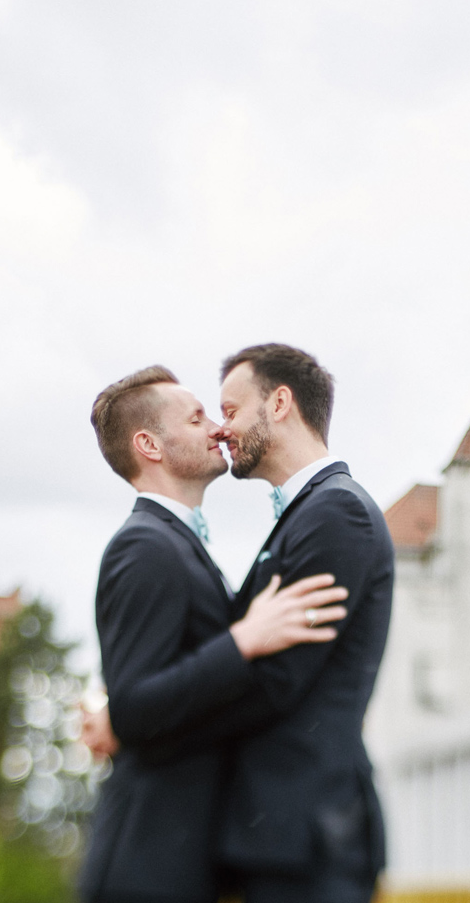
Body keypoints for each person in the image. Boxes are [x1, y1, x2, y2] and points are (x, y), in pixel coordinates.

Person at [89, 345, 395, 903]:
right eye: (205, 415)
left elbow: (279, 680)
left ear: (279, 403)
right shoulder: (302, 516)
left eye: (228, 410)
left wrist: (130, 722)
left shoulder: (335, 512)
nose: (222, 429)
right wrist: (134, 712)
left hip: (307, 834)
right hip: (261, 840)